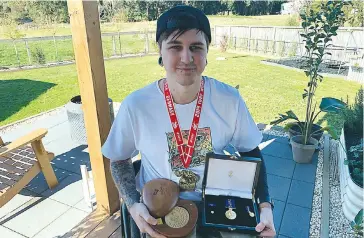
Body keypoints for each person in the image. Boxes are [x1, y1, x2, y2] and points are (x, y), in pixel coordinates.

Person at [102, 5, 276, 238]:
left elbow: (251, 151)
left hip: (216, 207)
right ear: (160, 51)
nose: (187, 58)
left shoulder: (228, 100)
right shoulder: (137, 105)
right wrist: (133, 204)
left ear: (206, 52)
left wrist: (265, 206)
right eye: (175, 47)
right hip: (161, 210)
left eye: (196, 47)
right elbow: (119, 158)